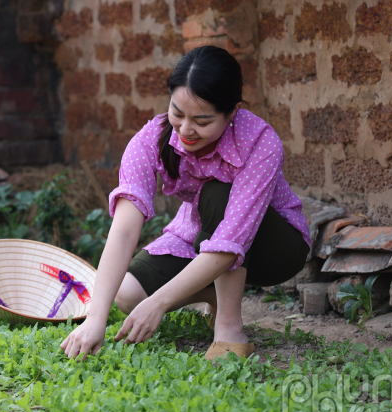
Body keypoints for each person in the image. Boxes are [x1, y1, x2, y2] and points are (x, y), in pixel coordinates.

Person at [60, 45, 311, 362]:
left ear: (232, 111)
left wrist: (159, 303)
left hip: (274, 247)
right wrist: (95, 319)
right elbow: (124, 229)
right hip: (196, 234)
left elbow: (231, 239)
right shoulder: (150, 140)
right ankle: (216, 293)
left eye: (202, 121)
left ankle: (229, 327)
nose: (186, 130)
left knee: (217, 193)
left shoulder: (260, 142)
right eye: (177, 113)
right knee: (127, 293)